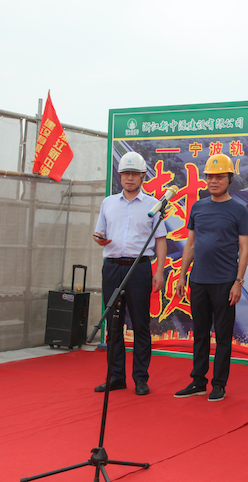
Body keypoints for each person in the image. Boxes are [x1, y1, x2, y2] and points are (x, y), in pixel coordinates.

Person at [173, 154, 248, 402]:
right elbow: (190, 245)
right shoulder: (198, 207)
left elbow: (244, 249)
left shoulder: (239, 209)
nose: (214, 181)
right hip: (198, 280)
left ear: (230, 179)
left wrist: (238, 282)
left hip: (225, 282)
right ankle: (198, 381)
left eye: (219, 177)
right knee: (200, 334)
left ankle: (219, 384)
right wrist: (182, 276)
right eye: (210, 177)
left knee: (223, 336)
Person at [93, 151, 167, 396]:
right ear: (120, 176)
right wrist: (100, 239)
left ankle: (140, 378)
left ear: (143, 176)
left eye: (134, 174)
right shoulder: (108, 203)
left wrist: (159, 272)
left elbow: (161, 240)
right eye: (125, 173)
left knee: (140, 324)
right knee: (113, 325)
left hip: (139, 268)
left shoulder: (153, 205)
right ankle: (115, 377)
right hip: (112, 267)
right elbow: (100, 233)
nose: (129, 178)